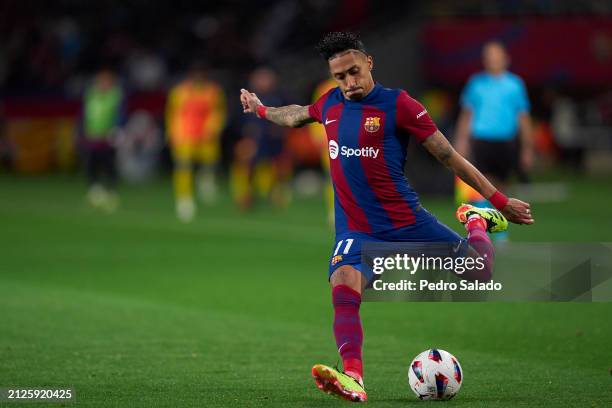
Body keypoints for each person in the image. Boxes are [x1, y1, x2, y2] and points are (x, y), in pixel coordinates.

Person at [240, 32, 533, 402]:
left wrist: (499, 201)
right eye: (340, 77)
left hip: (407, 222)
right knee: (343, 285)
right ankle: (354, 378)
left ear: (369, 63)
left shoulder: (400, 105)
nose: (348, 83)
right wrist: (262, 110)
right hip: (358, 230)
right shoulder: (329, 103)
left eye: (354, 72)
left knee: (480, 274)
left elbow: (449, 156)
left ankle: (476, 222)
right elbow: (296, 113)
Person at [454, 41, 534, 240]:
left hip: (505, 142)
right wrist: (461, 141)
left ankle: (500, 232)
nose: (493, 60)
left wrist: (527, 148)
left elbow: (523, 118)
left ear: (505, 59)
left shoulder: (515, 85)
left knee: (501, 186)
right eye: (489, 56)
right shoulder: (476, 84)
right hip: (481, 140)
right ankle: (483, 229)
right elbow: (467, 114)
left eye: (496, 56)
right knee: (482, 183)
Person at [166, 62, 226, 222]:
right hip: (185, 136)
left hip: (206, 136)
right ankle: (184, 200)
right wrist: (173, 133)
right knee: (183, 166)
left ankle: (205, 181)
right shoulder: (180, 92)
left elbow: (218, 112)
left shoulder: (212, 91)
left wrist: (213, 128)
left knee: (210, 163)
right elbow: (173, 113)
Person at [231, 67, 291, 209]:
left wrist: (280, 130)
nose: (264, 82)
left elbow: (288, 116)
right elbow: (239, 120)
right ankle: (247, 196)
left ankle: (275, 195)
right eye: (261, 79)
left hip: (274, 141)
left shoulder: (279, 98)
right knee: (249, 169)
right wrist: (245, 133)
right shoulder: (246, 99)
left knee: (278, 170)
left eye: (267, 79)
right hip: (254, 141)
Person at [81, 68, 124, 212]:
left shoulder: (115, 96)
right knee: (91, 165)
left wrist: (116, 130)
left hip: (108, 137)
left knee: (109, 165)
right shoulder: (91, 95)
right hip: (92, 136)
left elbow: (120, 115)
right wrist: (83, 130)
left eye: (106, 81)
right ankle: (95, 191)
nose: (103, 84)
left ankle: (111, 193)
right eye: (101, 81)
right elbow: (85, 114)